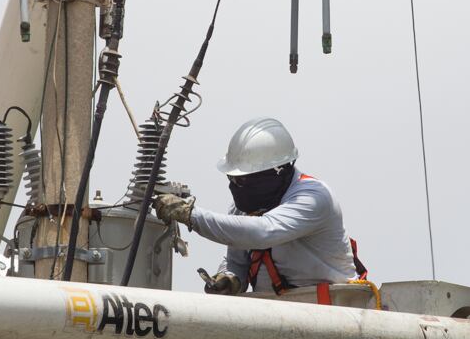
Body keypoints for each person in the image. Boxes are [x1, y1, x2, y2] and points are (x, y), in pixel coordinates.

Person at [152, 117, 364, 295]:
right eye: (232, 178)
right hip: (280, 322)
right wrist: (230, 277)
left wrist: (191, 215)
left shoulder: (314, 197)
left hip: (333, 313)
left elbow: (263, 232)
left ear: (276, 173)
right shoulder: (245, 208)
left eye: (243, 180)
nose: (236, 187)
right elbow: (237, 262)